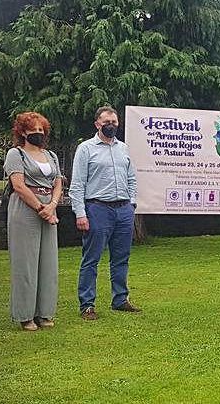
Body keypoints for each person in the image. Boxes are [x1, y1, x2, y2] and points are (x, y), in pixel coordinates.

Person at [69, 106, 140, 320]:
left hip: (123, 209)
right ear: (97, 124)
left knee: (121, 257)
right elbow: (77, 184)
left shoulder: (123, 148)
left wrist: (132, 204)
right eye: (106, 122)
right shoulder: (86, 149)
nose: (111, 125)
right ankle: (87, 305)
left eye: (114, 122)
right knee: (91, 258)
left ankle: (120, 299)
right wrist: (80, 213)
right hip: (97, 208)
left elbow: (131, 179)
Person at [4, 112, 64, 331]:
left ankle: (44, 312)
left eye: (41, 130)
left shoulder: (51, 156)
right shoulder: (16, 154)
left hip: (49, 206)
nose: (38, 133)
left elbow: (58, 182)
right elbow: (19, 186)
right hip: (25, 208)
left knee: (48, 262)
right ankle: (25, 315)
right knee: (25, 262)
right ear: (22, 132)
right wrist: (41, 208)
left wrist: (52, 205)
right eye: (33, 130)